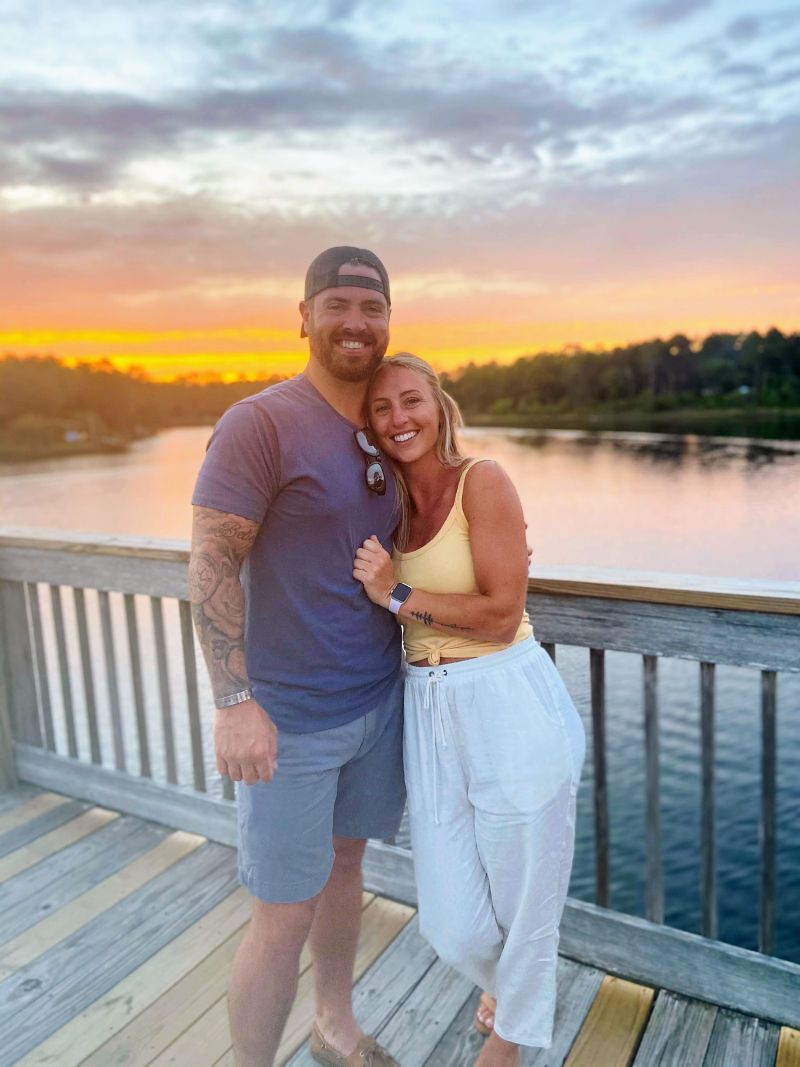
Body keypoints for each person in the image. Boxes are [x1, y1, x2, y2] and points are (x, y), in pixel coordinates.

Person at [188, 247, 405, 1067]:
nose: (355, 322)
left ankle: (333, 1027)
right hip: (291, 721)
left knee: (346, 869)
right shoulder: (261, 423)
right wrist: (234, 700)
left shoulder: (386, 425)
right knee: (282, 911)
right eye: (338, 304)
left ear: (389, 320)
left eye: (372, 307)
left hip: (376, 702)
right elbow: (211, 559)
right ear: (304, 316)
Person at [353, 353, 586, 1067]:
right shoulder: (386, 507)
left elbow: (501, 612)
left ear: (439, 406)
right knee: (451, 923)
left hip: (506, 699)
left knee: (525, 899)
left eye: (411, 400)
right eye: (382, 408)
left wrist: (396, 594)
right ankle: (511, 991)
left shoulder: (483, 481)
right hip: (426, 707)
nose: (399, 418)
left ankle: (507, 1040)